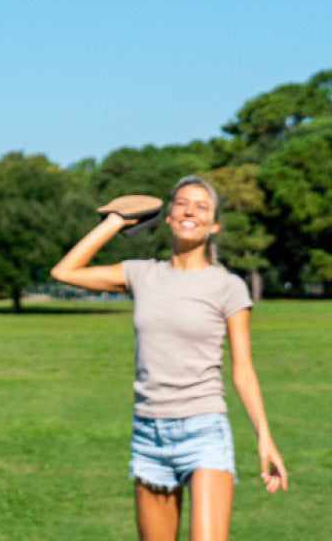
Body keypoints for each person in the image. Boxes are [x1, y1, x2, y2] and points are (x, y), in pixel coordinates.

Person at [51, 176, 287, 541]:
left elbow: (243, 371)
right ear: (168, 217)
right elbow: (65, 272)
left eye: (201, 206)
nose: (190, 210)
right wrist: (114, 222)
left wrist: (264, 437)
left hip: (203, 430)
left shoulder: (228, 287)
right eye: (181, 203)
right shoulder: (142, 274)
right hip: (148, 433)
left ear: (215, 225)